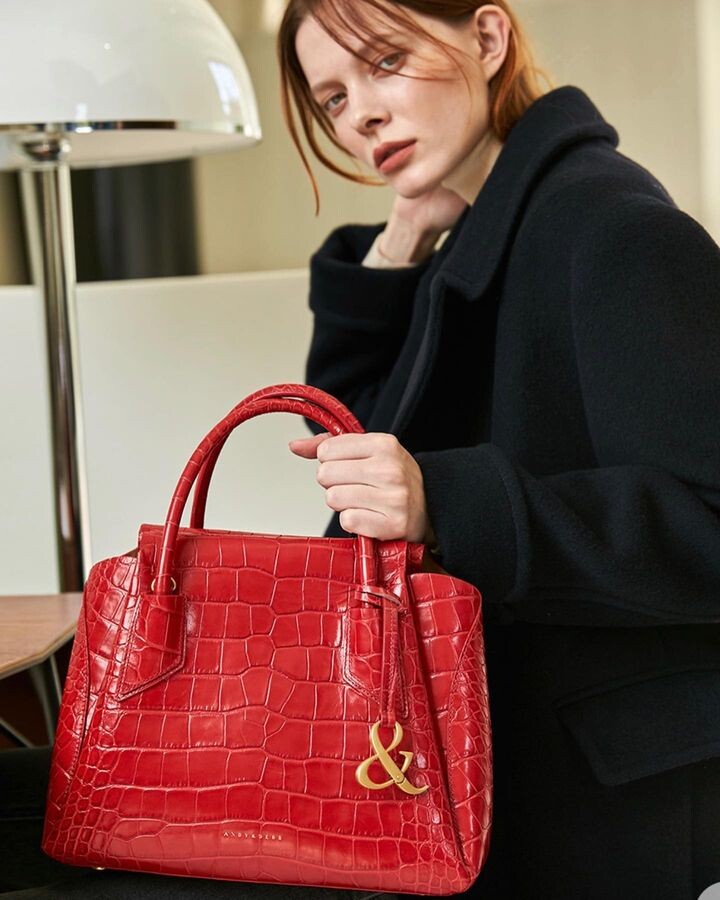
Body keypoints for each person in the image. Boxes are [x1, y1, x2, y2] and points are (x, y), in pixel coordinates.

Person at [279, 1, 720, 899]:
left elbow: (708, 523)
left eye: (385, 61)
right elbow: (359, 445)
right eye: (333, 99)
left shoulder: (612, 227)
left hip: (606, 796)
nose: (362, 115)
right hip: (500, 761)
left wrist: (449, 500)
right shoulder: (484, 236)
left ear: (487, 38)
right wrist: (403, 241)